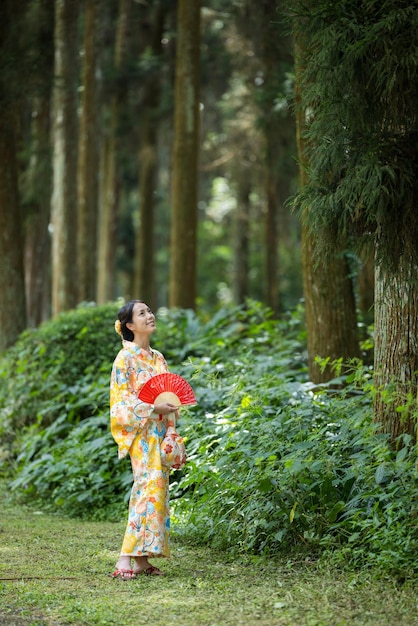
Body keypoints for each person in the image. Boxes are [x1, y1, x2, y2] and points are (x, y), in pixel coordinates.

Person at [110, 300, 179, 579]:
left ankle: (142, 560)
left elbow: (170, 396)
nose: (150, 316)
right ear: (129, 325)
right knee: (144, 491)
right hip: (140, 434)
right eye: (142, 313)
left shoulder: (158, 358)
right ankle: (124, 559)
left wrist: (172, 429)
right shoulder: (124, 359)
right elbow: (119, 404)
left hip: (161, 433)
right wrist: (151, 409)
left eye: (149, 311)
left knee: (157, 494)